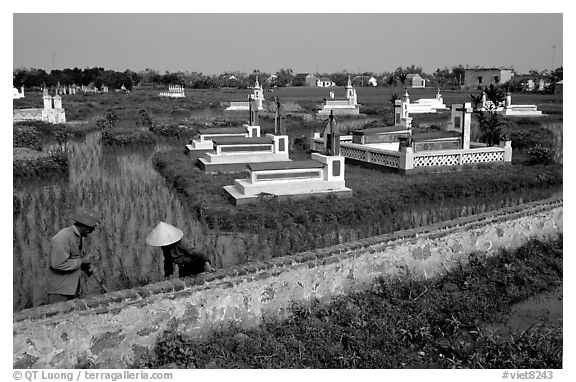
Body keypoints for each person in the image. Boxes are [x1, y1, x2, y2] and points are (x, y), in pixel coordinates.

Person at [46, 208, 100, 304]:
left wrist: (85, 267)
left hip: (70, 288)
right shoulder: (64, 237)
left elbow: (72, 258)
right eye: (92, 227)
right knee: (60, 316)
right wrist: (82, 261)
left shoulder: (76, 237)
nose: (92, 230)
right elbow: (58, 264)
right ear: (85, 226)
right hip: (60, 291)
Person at [145, 222, 213, 278]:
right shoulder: (165, 247)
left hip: (194, 264)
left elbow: (196, 252)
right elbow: (168, 261)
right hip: (183, 267)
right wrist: (168, 275)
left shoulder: (182, 242)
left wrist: (206, 263)